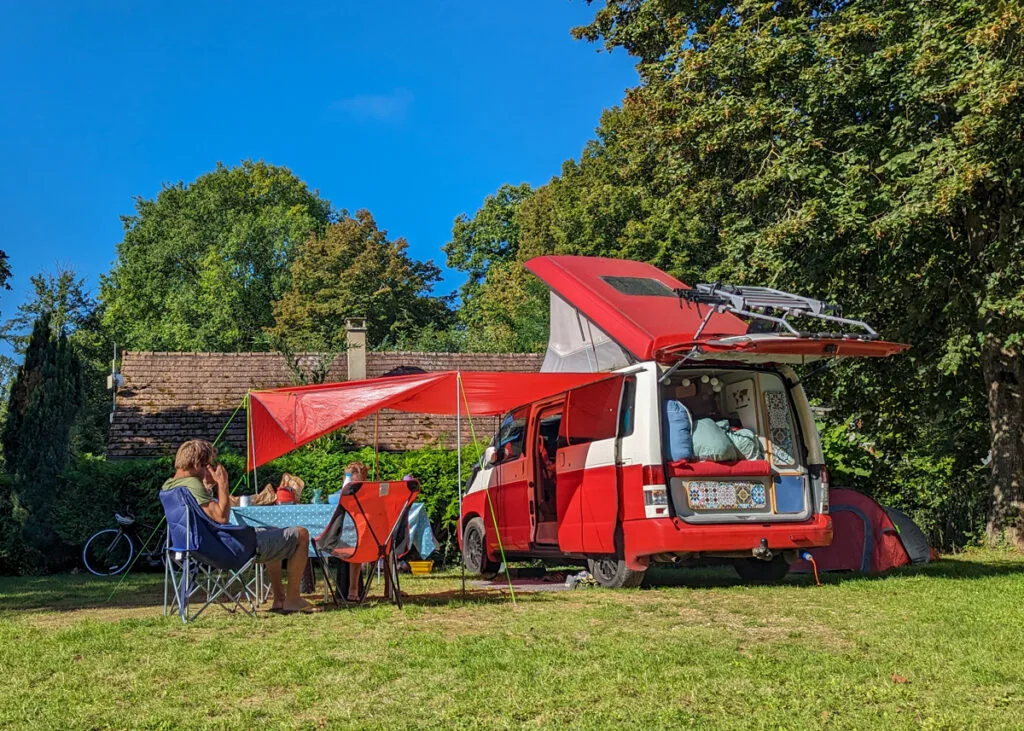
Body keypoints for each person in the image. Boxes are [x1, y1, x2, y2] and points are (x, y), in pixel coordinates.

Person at [161, 439, 318, 614]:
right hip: (227, 549)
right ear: (198, 464)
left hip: (193, 548)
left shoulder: (169, 486)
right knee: (302, 534)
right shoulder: (192, 484)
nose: (210, 469)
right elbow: (221, 517)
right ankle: (293, 599)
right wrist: (223, 484)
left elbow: (203, 517)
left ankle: (280, 599)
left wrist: (207, 488)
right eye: (208, 465)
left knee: (274, 531)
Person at [341, 461, 369, 602]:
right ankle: (390, 590)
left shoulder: (364, 496)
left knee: (354, 541)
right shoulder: (373, 494)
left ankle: (353, 589)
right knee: (356, 540)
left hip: (360, 542)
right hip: (381, 542)